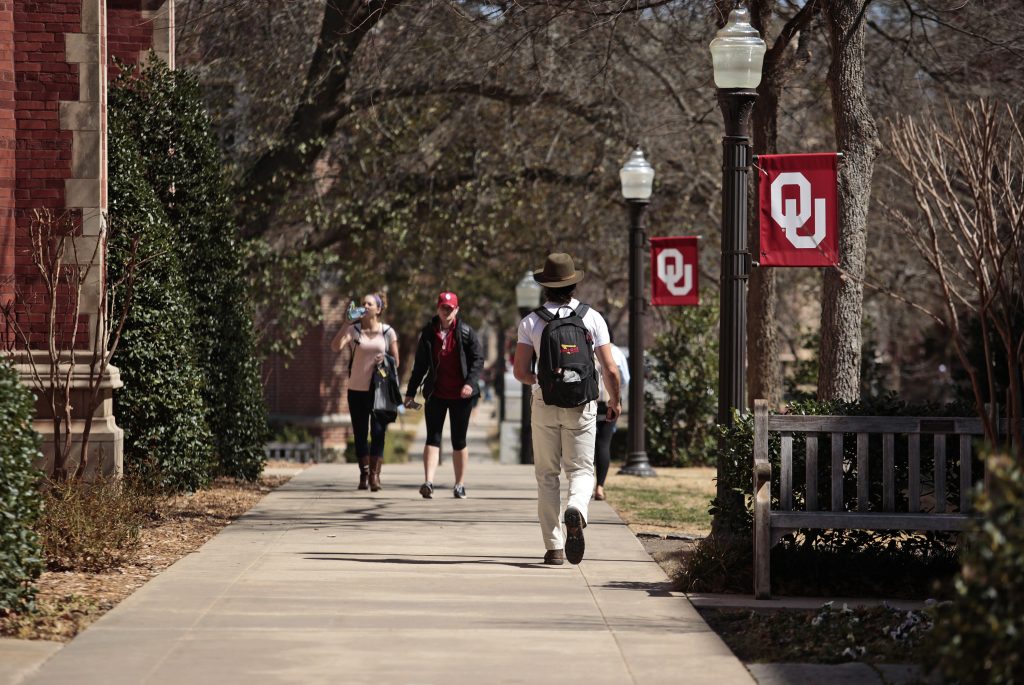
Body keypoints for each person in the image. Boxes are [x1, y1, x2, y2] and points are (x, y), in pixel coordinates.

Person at [513, 253, 621, 565]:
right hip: (582, 403)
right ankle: (577, 507)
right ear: (573, 284)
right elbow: (610, 369)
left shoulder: (530, 322)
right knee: (582, 469)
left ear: (544, 286)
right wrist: (615, 401)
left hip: (544, 402)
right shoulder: (592, 318)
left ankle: (554, 547)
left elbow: (520, 371)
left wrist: (542, 381)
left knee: (547, 475)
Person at [404, 291, 484, 499]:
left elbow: (478, 360)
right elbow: (420, 366)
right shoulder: (429, 333)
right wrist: (410, 393)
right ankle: (428, 482)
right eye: (443, 307)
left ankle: (459, 484)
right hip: (436, 393)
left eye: (450, 308)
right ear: (437, 309)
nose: (446, 311)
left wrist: (470, 383)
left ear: (457, 310)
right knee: (433, 437)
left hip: (461, 395)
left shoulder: (466, 332)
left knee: (459, 440)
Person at [331, 292, 399, 492]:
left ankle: (375, 477)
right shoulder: (353, 330)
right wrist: (346, 323)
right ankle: (364, 473)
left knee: (378, 432)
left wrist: (385, 359)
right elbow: (335, 347)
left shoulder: (387, 332)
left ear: (378, 309)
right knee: (360, 434)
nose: (365, 306)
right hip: (356, 389)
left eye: (370, 304)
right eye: (363, 304)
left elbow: (397, 361)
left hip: (379, 391)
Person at [594, 335, 629, 501]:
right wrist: (616, 397)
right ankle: (599, 487)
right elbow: (625, 378)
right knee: (603, 444)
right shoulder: (616, 352)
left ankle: (582, 487)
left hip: (587, 401)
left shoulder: (585, 348)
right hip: (610, 401)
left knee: (585, 446)